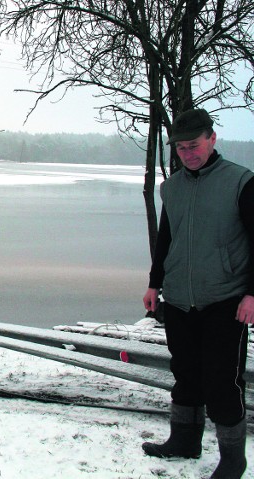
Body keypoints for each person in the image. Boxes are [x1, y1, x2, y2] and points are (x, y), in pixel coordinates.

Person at [142, 108, 252, 479]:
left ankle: (233, 459)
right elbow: (167, 241)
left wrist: (252, 293)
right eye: (181, 148)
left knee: (223, 381)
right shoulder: (171, 187)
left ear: (212, 139)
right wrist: (155, 283)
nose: (188, 154)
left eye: (194, 145)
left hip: (226, 302)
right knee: (185, 373)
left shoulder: (241, 182)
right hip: (178, 300)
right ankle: (184, 442)